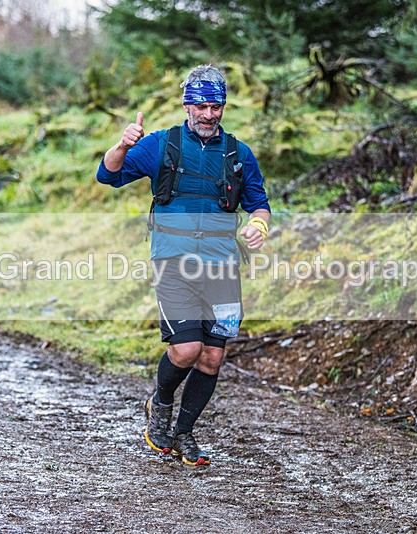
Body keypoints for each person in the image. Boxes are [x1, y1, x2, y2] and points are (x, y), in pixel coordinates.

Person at [96, 65, 271, 466]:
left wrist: (258, 225)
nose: (209, 115)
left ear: (223, 107)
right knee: (187, 349)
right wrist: (122, 144)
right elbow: (108, 174)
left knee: (212, 358)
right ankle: (160, 404)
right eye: (201, 106)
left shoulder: (239, 154)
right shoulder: (161, 144)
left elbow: (259, 204)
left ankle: (183, 434)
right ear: (186, 105)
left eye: (216, 106)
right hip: (173, 261)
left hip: (223, 265)